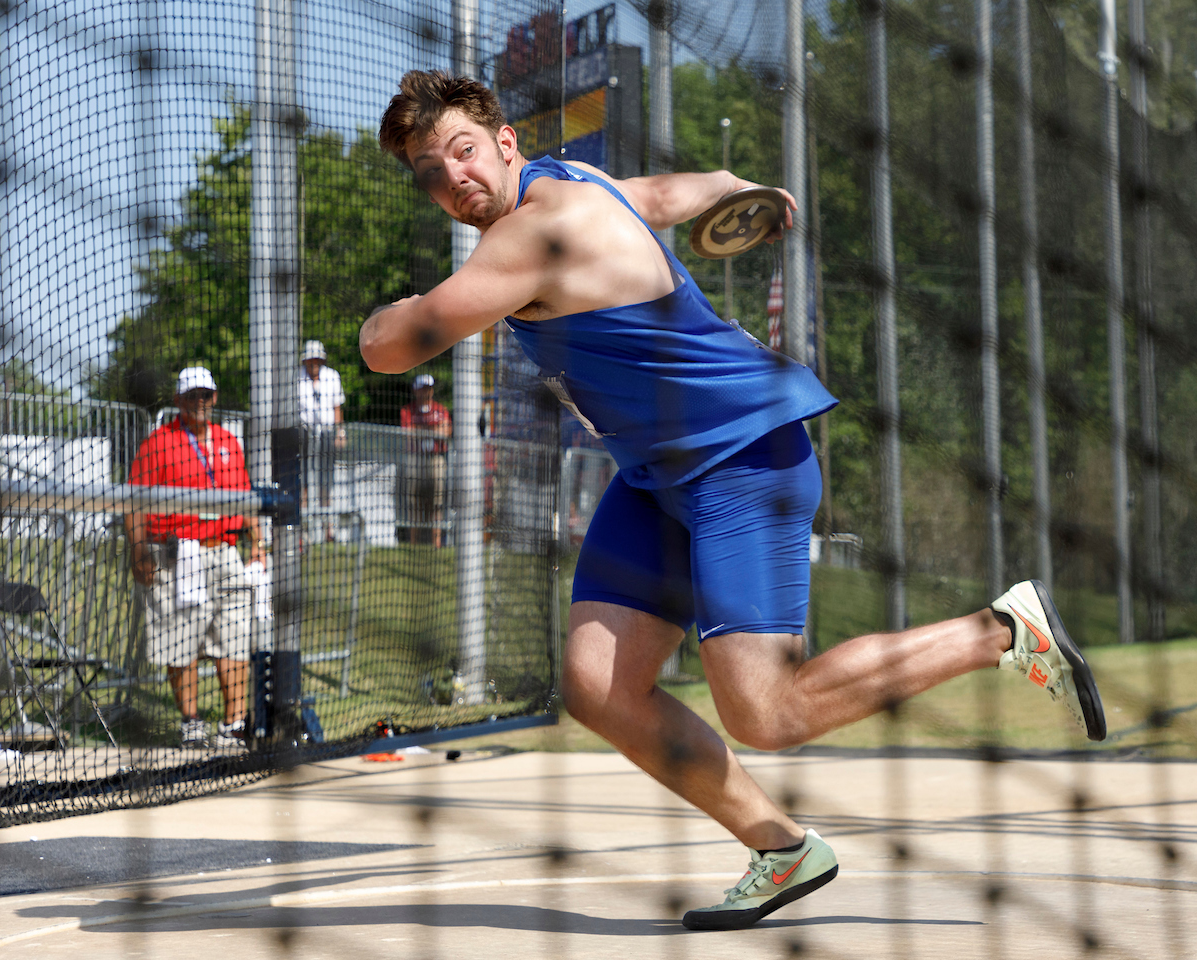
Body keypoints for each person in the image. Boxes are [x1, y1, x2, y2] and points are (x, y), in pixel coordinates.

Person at [359, 71, 1107, 930]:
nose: (452, 178)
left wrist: (394, 308)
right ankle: (782, 848)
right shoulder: (578, 181)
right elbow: (665, 192)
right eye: (430, 170)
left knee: (770, 711)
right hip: (658, 477)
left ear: (504, 144)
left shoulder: (533, 232)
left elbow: (388, 349)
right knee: (600, 687)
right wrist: (729, 188)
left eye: (462, 151)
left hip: (741, 460)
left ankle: (1005, 630)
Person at [125, 366, 267, 750]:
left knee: (235, 636)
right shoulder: (159, 442)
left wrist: (258, 540)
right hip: (176, 552)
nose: (200, 402)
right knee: (180, 639)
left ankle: (233, 724)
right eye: (192, 395)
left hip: (224, 550)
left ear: (215, 398)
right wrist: (138, 548)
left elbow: (244, 493)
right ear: (178, 400)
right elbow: (134, 500)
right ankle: (191, 724)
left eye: (205, 395)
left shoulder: (228, 441)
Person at [298, 339, 346, 541]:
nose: (314, 364)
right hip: (303, 431)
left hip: (326, 431)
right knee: (303, 480)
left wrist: (340, 432)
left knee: (326, 480)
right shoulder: (297, 379)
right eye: (311, 360)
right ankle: (303, 528)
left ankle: (329, 529)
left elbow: (337, 407)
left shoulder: (332, 377)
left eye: (318, 360)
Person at [398, 373, 452, 547]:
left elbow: (445, 433)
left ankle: (436, 543)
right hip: (416, 459)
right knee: (414, 502)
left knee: (436, 501)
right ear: (415, 390)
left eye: (428, 388)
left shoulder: (441, 409)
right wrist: (432, 429)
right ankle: (414, 543)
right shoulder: (407, 410)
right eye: (422, 388)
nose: (425, 392)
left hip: (435, 458)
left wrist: (422, 429)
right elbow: (408, 433)